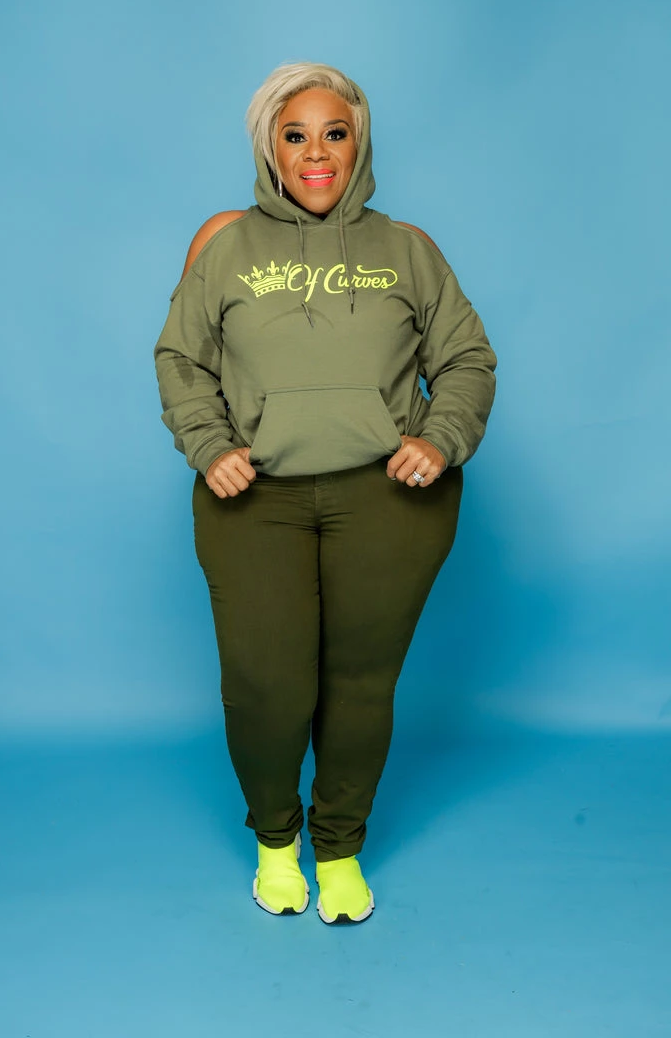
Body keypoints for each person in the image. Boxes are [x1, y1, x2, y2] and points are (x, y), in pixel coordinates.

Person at [154, 62, 496, 925]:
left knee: (359, 685)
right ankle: (276, 842)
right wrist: (210, 446)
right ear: (269, 149)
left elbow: (466, 361)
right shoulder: (223, 242)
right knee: (265, 686)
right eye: (295, 135)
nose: (316, 154)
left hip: (386, 503)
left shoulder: (407, 248)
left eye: (334, 134)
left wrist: (439, 438)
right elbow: (182, 360)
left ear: (359, 144)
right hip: (254, 502)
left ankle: (339, 848)